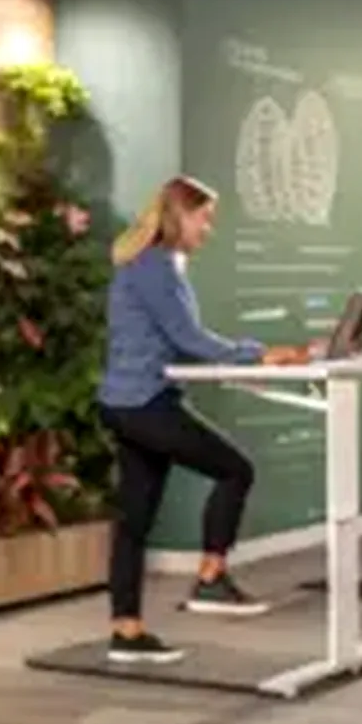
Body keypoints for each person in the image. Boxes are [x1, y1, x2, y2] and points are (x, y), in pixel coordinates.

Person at [98, 175, 308, 663]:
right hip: (144, 401)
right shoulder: (155, 267)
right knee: (236, 469)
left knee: (134, 521)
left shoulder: (155, 264)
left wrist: (251, 357)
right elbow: (189, 338)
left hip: (128, 401)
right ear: (180, 215)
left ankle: (126, 633)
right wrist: (257, 354)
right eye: (204, 218)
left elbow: (176, 339)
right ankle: (211, 579)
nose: (208, 228)